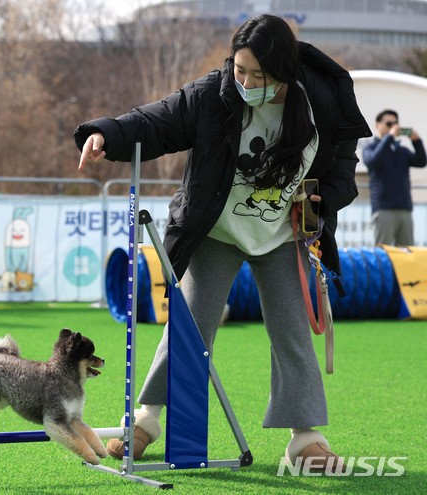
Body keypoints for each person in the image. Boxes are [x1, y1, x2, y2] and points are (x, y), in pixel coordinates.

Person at [75, 14, 371, 472]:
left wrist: (321, 197)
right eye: (240, 70)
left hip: (283, 232)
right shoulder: (212, 95)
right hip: (216, 228)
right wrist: (105, 133)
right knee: (191, 327)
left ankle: (305, 438)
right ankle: (146, 421)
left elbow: (343, 169)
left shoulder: (324, 100)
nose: (247, 82)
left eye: (260, 75)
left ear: (285, 71)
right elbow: (156, 122)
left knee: (291, 331)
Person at [362, 109, 426, 246]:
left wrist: (417, 141)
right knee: (382, 253)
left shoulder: (401, 150)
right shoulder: (370, 147)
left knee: (407, 254)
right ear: (377, 125)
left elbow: (421, 162)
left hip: (405, 209)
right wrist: (389, 137)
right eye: (389, 123)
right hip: (384, 209)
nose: (393, 127)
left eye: (395, 123)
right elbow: (373, 161)